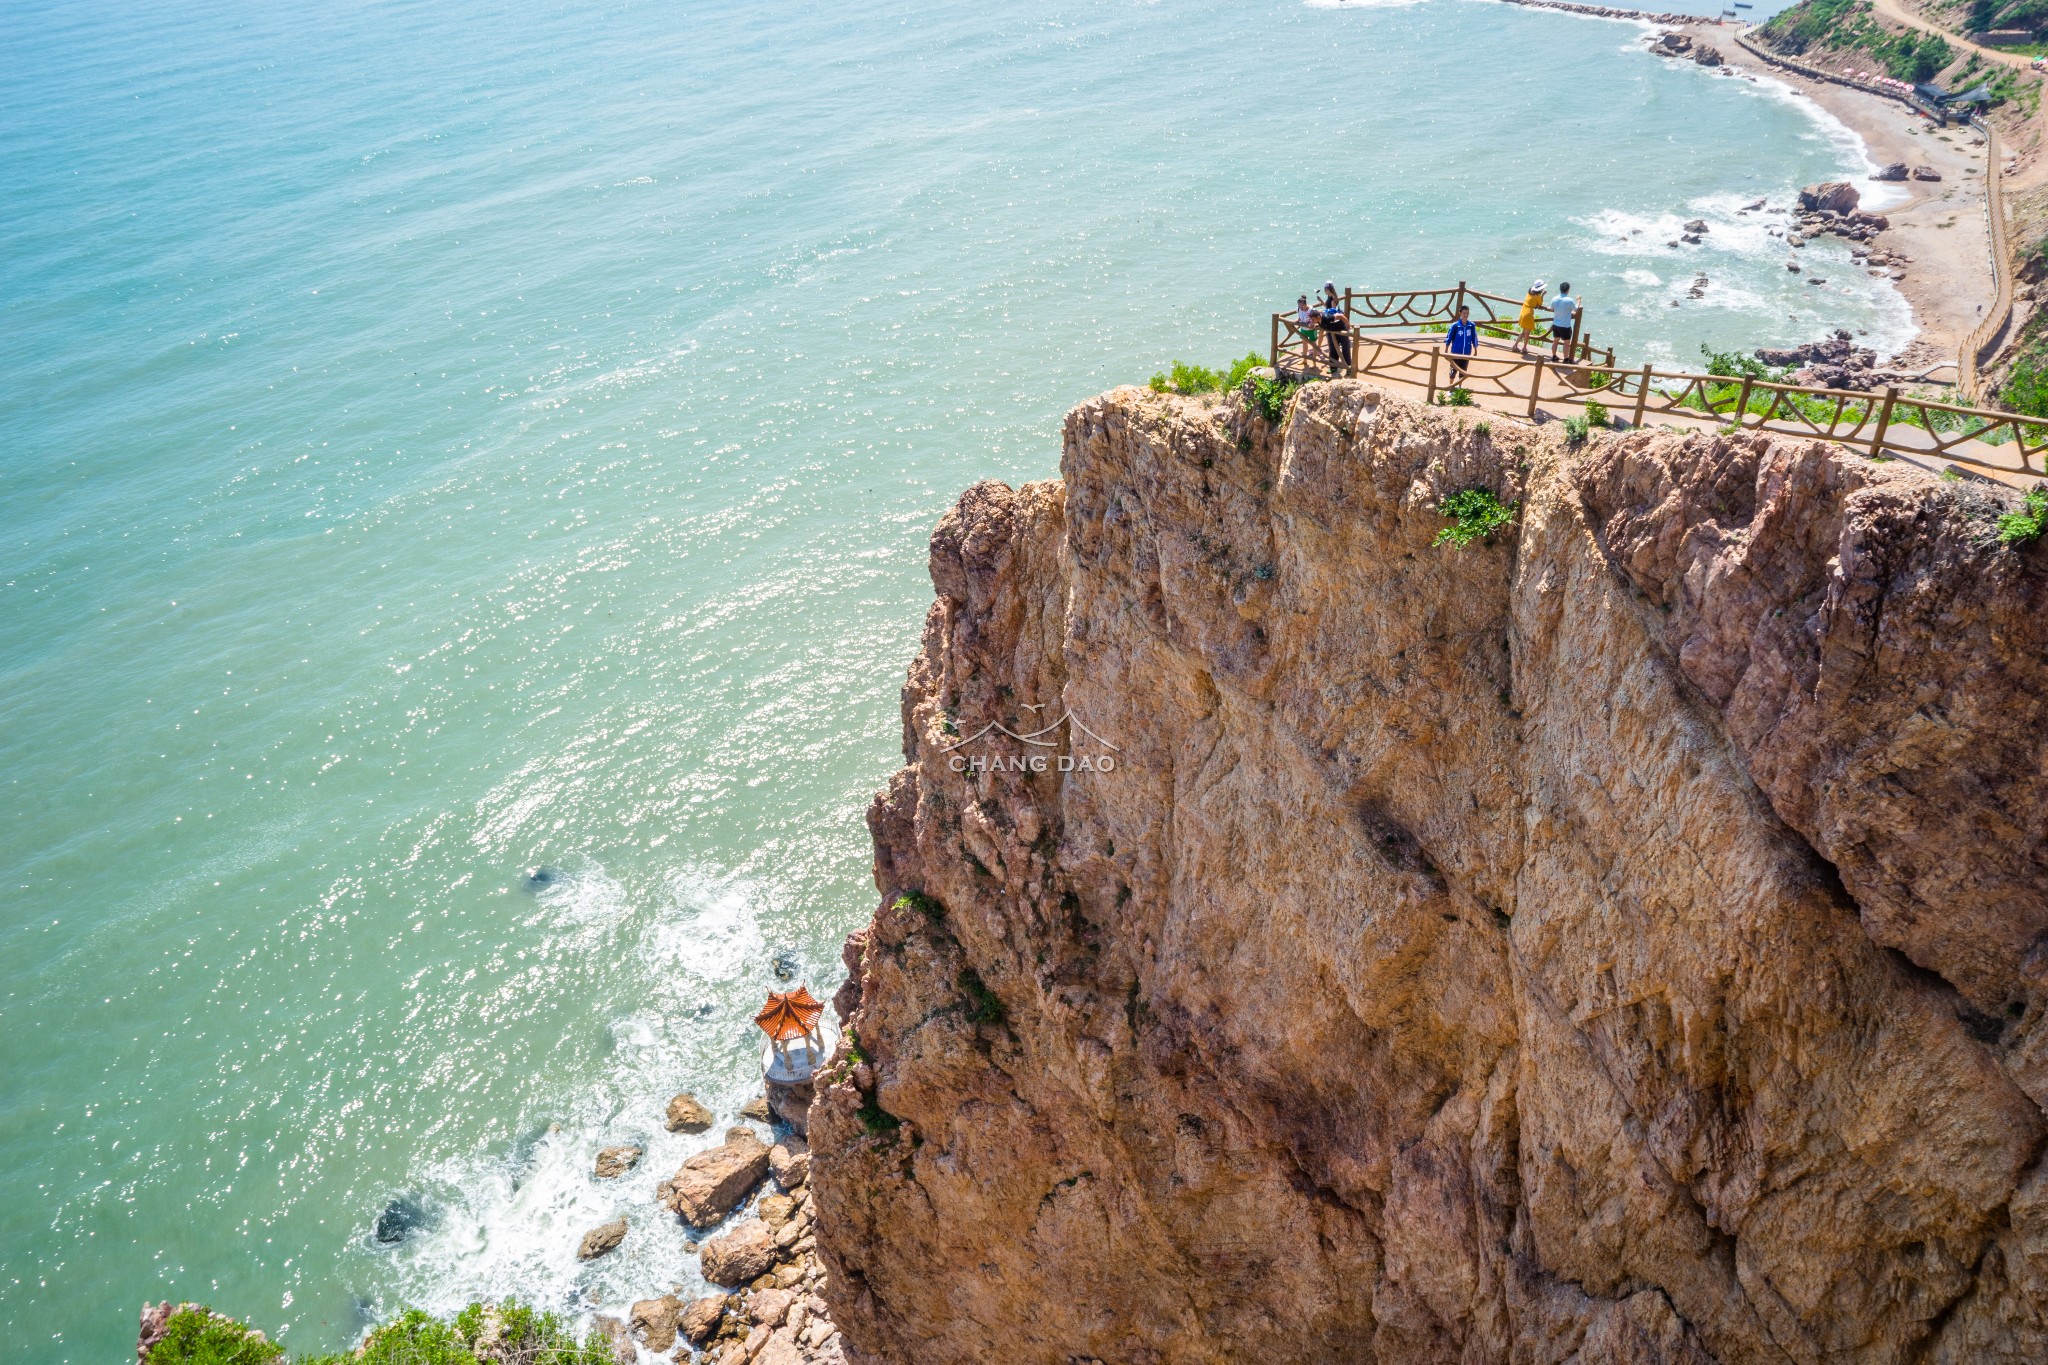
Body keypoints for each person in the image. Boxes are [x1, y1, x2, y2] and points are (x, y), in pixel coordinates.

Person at [1445, 305, 1478, 382]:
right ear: (1460, 313)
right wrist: (1446, 351)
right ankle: (1451, 388)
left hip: (1466, 354)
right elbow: (1449, 338)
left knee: (1463, 372)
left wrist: (1475, 350)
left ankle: (1459, 388)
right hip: (1455, 353)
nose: (1466, 315)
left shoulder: (1471, 325)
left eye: (1467, 313)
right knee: (1452, 372)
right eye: (1464, 313)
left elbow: (1474, 338)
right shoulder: (1455, 326)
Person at [1549, 282, 1580, 361]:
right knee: (1566, 343)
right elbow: (1575, 309)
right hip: (1565, 326)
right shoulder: (1569, 300)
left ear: (1560, 289)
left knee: (1555, 341)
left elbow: (1552, 309)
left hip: (1555, 324)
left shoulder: (1554, 298)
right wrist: (1579, 301)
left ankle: (1553, 356)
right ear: (1568, 290)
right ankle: (1566, 359)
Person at [1516, 280, 1546, 356]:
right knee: (1527, 333)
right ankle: (1524, 348)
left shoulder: (1529, 292)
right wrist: (1543, 295)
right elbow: (1540, 303)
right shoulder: (1537, 296)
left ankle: (1515, 345)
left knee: (1524, 332)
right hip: (1529, 313)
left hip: (1524, 310)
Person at [1322, 298, 1352, 374]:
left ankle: (1349, 367)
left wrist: (1348, 326)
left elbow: (1341, 316)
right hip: (1331, 331)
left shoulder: (1327, 317)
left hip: (1341, 329)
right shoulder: (1317, 320)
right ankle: (1333, 367)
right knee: (1332, 349)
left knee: (1345, 348)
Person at [1294, 295, 1319, 370]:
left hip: (1311, 330)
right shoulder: (1299, 309)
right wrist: (1298, 320)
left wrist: (1313, 323)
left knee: (1314, 345)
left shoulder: (1312, 310)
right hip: (1303, 329)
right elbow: (1300, 315)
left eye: (1301, 306)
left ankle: (1314, 363)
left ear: (1305, 305)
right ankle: (1304, 360)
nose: (1300, 308)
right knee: (1304, 344)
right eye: (1299, 306)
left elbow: (1318, 318)